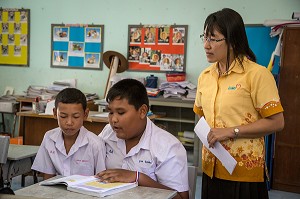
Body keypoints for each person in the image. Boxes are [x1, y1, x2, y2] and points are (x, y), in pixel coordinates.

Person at [194, 8, 284, 199]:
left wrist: (231, 131)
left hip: (243, 172)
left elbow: (277, 122)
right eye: (205, 37)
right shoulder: (205, 76)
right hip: (211, 169)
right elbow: (202, 116)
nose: (206, 45)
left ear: (233, 41)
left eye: (213, 39)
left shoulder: (257, 75)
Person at [96, 79, 189, 199]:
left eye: (120, 112)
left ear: (142, 111)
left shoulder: (168, 146)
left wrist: (138, 178)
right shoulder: (108, 132)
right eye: (110, 112)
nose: (114, 119)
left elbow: (181, 198)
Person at [31, 88, 106, 180]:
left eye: (76, 116)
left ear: (85, 114)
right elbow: (48, 177)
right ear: (55, 113)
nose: (69, 122)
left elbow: (101, 180)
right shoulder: (49, 138)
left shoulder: (96, 144)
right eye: (63, 116)